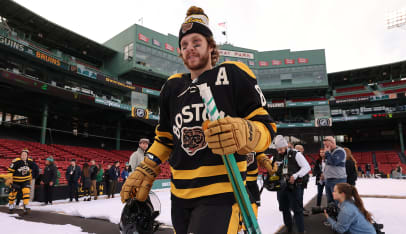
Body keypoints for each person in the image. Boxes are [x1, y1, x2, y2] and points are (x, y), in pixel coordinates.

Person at [120, 6, 276, 234]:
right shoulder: (172, 86)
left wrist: (247, 131)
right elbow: (165, 138)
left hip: (222, 192)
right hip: (180, 195)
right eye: (184, 45)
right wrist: (148, 165)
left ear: (211, 46)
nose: (189, 49)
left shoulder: (233, 73)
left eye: (196, 42)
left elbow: (267, 126)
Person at [274, 136, 311, 234]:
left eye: (281, 149)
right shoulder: (276, 155)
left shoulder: (296, 154)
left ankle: (301, 231)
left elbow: (307, 167)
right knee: (284, 209)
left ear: (286, 146)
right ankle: (289, 229)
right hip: (281, 188)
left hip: (293, 187)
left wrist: (295, 176)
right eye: (278, 149)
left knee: (297, 211)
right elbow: (271, 167)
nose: (280, 151)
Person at [6, 149, 35, 213]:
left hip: (25, 180)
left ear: (27, 156)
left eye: (25, 155)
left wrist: (30, 177)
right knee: (13, 193)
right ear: (20, 155)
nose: (23, 156)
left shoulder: (30, 161)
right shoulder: (16, 161)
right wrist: (10, 179)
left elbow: (31, 170)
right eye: (22, 155)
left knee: (26, 191)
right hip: (16, 181)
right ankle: (11, 204)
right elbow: (10, 171)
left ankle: (25, 205)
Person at [323, 136, 347, 204]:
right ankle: (332, 214)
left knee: (338, 202)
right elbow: (328, 165)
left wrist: (327, 153)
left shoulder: (340, 151)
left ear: (332, 143)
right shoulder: (330, 152)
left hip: (338, 180)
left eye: (326, 144)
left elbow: (333, 162)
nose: (325, 146)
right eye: (324, 145)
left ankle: (340, 214)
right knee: (330, 202)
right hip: (329, 180)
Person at [294, 144, 311, 216]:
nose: (303, 150)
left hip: (303, 181)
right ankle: (299, 211)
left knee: (300, 196)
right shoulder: (295, 158)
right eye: (301, 149)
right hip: (298, 181)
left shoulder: (302, 157)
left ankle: (300, 209)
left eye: (302, 148)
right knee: (298, 197)